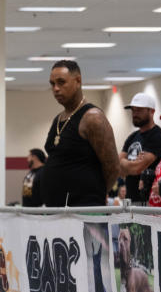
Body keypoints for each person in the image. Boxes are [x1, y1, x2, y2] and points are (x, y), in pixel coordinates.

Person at [40, 61, 120, 207]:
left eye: (61, 82)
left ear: (78, 81)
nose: (56, 89)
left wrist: (94, 194)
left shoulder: (92, 117)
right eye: (52, 84)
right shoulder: (58, 119)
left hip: (84, 211)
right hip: (57, 212)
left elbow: (113, 167)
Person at [119, 92, 161, 204]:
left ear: (152, 111)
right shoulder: (132, 137)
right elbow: (117, 167)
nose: (135, 114)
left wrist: (126, 163)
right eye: (133, 110)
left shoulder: (159, 136)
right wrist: (129, 164)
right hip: (130, 200)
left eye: (139, 110)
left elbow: (137, 168)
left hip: (148, 201)